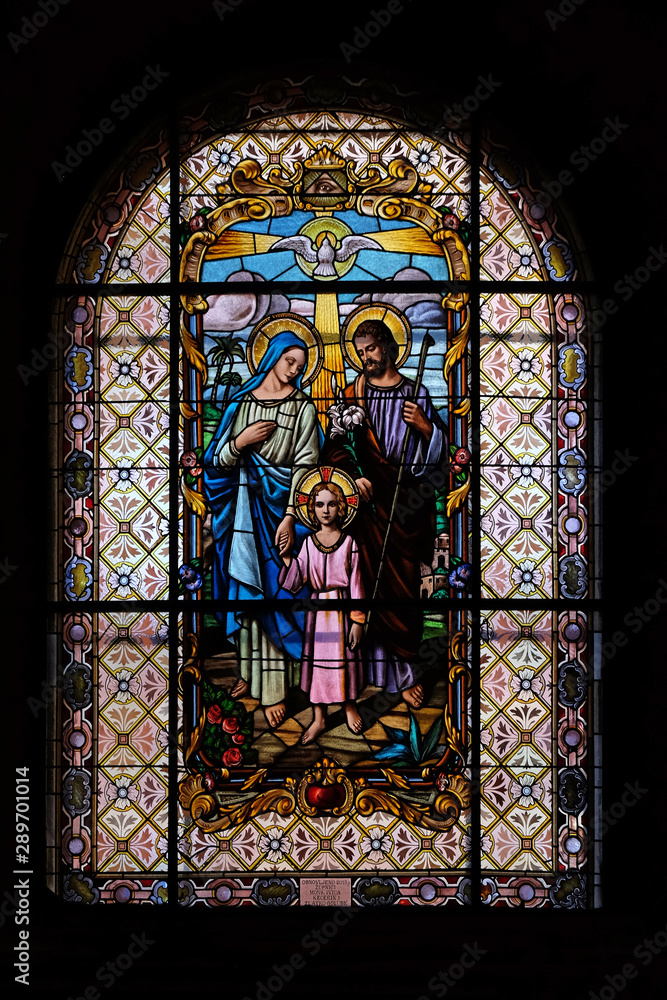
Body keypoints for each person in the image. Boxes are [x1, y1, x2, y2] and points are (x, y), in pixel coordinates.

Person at [322, 318, 447, 708]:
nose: (366, 358)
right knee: (364, 584)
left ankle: (407, 672)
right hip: (367, 506)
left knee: (403, 586)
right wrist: (354, 475)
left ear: (390, 348)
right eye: (359, 352)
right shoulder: (352, 392)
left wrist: (425, 426)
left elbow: (443, 456)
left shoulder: (416, 393)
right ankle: (367, 674)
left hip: (406, 502)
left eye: (371, 349)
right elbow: (335, 448)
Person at [203, 331, 322, 728]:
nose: (295, 370)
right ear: (271, 357)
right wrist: (240, 441)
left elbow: (307, 464)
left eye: (301, 366)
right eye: (290, 361)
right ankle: (253, 674)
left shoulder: (304, 407)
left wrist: (290, 515)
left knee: (281, 593)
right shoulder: (242, 403)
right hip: (244, 513)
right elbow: (216, 462)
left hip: (284, 513)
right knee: (250, 588)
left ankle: (278, 688)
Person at [278, 477, 365, 744]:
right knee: (319, 668)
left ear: (341, 508)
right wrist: (287, 559)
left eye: (331, 504)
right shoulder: (307, 544)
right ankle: (319, 718)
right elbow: (298, 579)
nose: (325, 510)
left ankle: (349, 706)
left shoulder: (350, 543)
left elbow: (356, 585)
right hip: (317, 614)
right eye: (319, 504)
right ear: (312, 510)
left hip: (341, 610)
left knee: (346, 662)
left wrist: (358, 621)